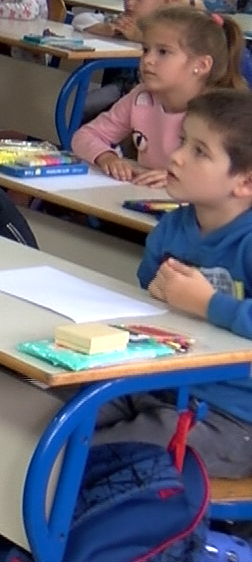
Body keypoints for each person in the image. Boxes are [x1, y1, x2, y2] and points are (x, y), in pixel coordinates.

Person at [94, 89, 252, 477]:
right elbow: (147, 291)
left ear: (245, 182)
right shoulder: (173, 226)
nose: (176, 156)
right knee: (55, 421)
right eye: (182, 141)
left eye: (200, 152)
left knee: (98, 456)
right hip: (157, 384)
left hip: (231, 418)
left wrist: (208, 304)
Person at [71, 7, 247, 186]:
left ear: (202, 65)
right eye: (146, 49)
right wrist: (107, 157)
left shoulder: (220, 113)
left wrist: (178, 176)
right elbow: (86, 135)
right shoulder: (141, 97)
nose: (148, 60)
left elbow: (233, 176)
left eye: (163, 52)